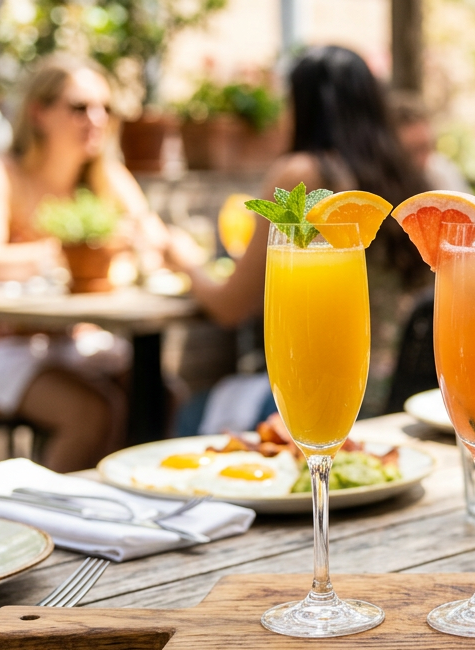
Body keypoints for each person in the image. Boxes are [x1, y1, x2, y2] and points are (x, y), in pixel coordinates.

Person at [0, 55, 193, 471]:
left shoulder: (106, 176)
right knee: (92, 413)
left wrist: (152, 248)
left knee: (161, 394)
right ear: (39, 112)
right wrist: (63, 254)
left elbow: (154, 244)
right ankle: (46, 524)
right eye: (79, 107)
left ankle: (126, 508)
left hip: (71, 338)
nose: (96, 119)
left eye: (105, 108)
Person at [169, 46, 429, 426]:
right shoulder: (404, 175)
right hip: (391, 393)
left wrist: (180, 260)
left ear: (305, 106)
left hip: (320, 393)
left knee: (187, 414)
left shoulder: (302, 175)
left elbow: (230, 307)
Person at [389, 91, 469, 191]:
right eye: (412, 152)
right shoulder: (377, 179)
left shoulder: (443, 174)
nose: (421, 160)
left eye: (425, 148)